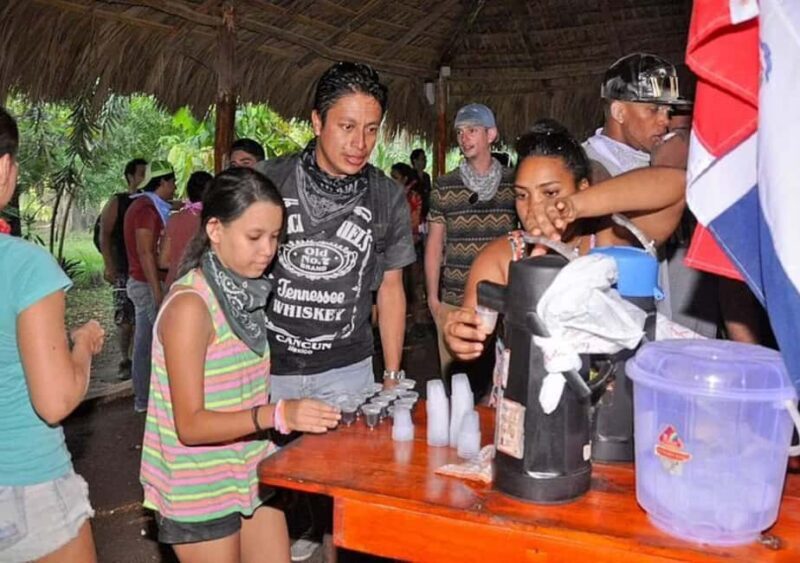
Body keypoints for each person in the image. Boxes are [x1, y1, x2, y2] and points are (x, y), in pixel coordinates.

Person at [255, 61, 415, 561]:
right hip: (268, 366)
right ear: (316, 122)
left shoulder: (386, 197)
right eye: (346, 127)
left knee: (343, 495)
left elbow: (391, 289)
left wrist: (390, 374)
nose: (359, 143)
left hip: (347, 369)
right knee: (268, 485)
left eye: (371, 130)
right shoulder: (269, 181)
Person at [140, 167, 340, 562]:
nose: (267, 250)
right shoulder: (191, 307)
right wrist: (278, 414)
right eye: (254, 237)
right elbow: (191, 425)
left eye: (275, 237)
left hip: (249, 471)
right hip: (199, 485)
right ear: (214, 230)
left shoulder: (246, 296)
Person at [444, 119, 685, 361]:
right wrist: (460, 336)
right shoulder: (503, 256)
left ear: (583, 188)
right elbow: (473, 331)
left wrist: (576, 205)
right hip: (526, 393)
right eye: (522, 195)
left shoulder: (609, 241)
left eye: (550, 193)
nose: (533, 208)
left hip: (606, 392)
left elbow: (678, 184)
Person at [0, 106, 105, 562]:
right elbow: (55, 401)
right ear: (5, 168)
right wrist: (81, 346)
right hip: (24, 484)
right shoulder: (24, 267)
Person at [425, 103, 517, 389]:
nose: (464, 138)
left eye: (472, 130)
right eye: (460, 132)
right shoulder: (445, 185)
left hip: (504, 304)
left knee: (504, 387)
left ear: (491, 135)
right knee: (458, 389)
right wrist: (433, 300)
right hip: (456, 300)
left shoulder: (515, 185)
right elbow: (434, 244)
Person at [124, 160, 177, 413]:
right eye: (173, 182)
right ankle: (145, 400)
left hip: (144, 281)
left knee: (147, 342)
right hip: (146, 283)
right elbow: (146, 253)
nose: (175, 187)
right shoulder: (146, 210)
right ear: (164, 182)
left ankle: (144, 399)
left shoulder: (147, 205)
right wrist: (157, 292)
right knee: (149, 345)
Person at [99, 157, 147, 379]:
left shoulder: (151, 201)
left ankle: (138, 359)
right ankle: (124, 359)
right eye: (141, 174)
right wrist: (109, 264)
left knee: (141, 317)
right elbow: (105, 235)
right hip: (122, 269)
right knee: (125, 319)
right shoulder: (118, 201)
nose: (144, 178)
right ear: (130, 177)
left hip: (144, 269)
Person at [159, 170, 213, 287]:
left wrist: (179, 263)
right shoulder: (216, 222)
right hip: (204, 287)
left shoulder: (175, 219)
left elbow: (163, 262)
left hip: (175, 286)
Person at [391, 162, 427, 334]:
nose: (392, 181)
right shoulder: (392, 196)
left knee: (412, 286)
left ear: (405, 179)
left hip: (412, 246)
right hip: (396, 248)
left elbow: (414, 222)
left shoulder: (413, 197)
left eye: (395, 178)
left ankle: (415, 323)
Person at [410, 148, 431, 219]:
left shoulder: (426, 177)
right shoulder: (410, 176)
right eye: (422, 159)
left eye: (425, 159)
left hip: (425, 212)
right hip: (414, 213)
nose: (425, 161)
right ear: (415, 161)